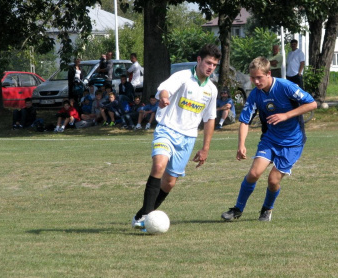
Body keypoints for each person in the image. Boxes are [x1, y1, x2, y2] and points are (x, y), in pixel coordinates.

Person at [131, 43, 222, 231]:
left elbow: (210, 119)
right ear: (199, 60)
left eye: (214, 64)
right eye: (208, 62)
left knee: (170, 182)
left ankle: (142, 214)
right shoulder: (182, 77)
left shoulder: (211, 90)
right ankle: (147, 218)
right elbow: (164, 89)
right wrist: (164, 98)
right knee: (158, 165)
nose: (211, 67)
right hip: (167, 129)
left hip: (187, 138)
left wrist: (205, 148)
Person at [221, 56, 317, 222]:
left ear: (268, 74)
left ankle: (267, 209)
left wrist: (286, 115)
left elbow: (312, 104)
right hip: (270, 139)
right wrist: (241, 145)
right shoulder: (255, 95)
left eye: (259, 77)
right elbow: (245, 121)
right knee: (253, 173)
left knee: (273, 180)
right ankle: (237, 209)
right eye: (253, 78)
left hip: (292, 142)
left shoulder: (285, 86)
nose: (256, 82)